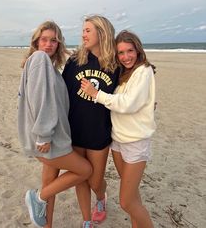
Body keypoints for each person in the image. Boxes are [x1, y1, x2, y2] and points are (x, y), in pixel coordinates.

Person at [17, 20, 92, 228]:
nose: (49, 44)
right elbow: (40, 99)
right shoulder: (40, 59)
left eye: (54, 41)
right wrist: (43, 134)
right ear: (36, 41)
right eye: (44, 39)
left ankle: (45, 222)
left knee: (50, 183)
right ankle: (38, 197)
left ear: (58, 44)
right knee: (85, 170)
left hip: (51, 136)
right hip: (49, 138)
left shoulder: (47, 66)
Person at [81, 30, 156, 228]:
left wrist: (96, 94)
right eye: (121, 53)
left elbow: (127, 104)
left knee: (126, 202)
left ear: (138, 50)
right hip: (118, 140)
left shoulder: (143, 71)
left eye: (130, 51)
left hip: (136, 142)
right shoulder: (125, 73)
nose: (125, 57)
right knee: (134, 198)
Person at [62, 15, 120, 228]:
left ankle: (101, 198)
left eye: (88, 30)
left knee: (95, 180)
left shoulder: (114, 63)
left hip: (99, 132)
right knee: (80, 178)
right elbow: (62, 91)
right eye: (83, 30)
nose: (83, 34)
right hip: (75, 130)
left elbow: (127, 93)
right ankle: (86, 219)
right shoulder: (76, 60)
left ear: (101, 33)